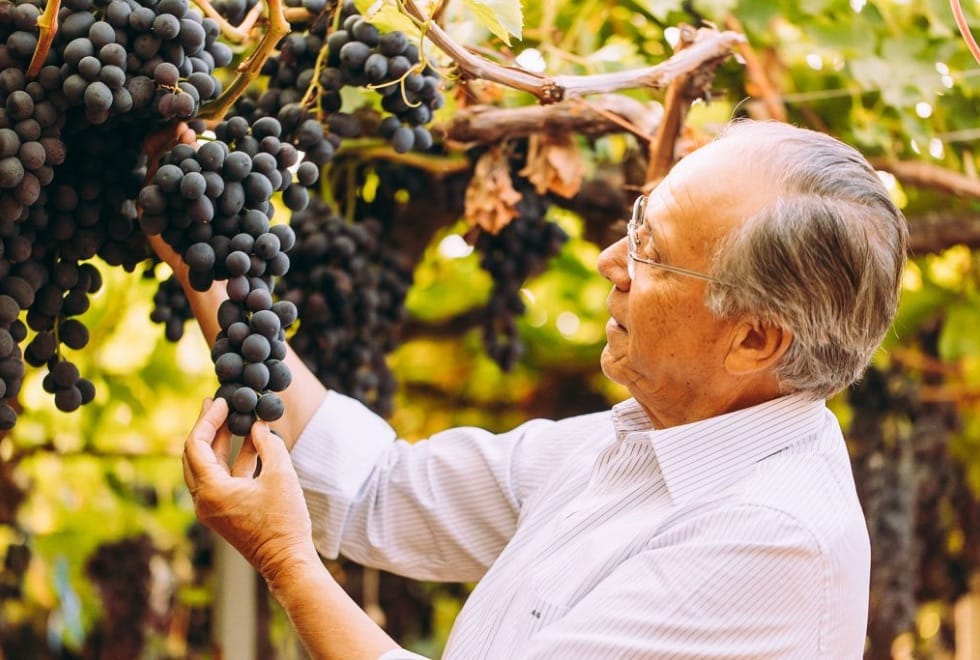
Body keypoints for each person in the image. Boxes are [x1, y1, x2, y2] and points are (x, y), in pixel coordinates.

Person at [173, 119, 909, 659]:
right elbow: (376, 488)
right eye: (635, 222)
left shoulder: (769, 540)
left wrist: (287, 562)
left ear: (754, 340)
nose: (608, 259)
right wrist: (195, 235)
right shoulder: (638, 441)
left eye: (652, 252)